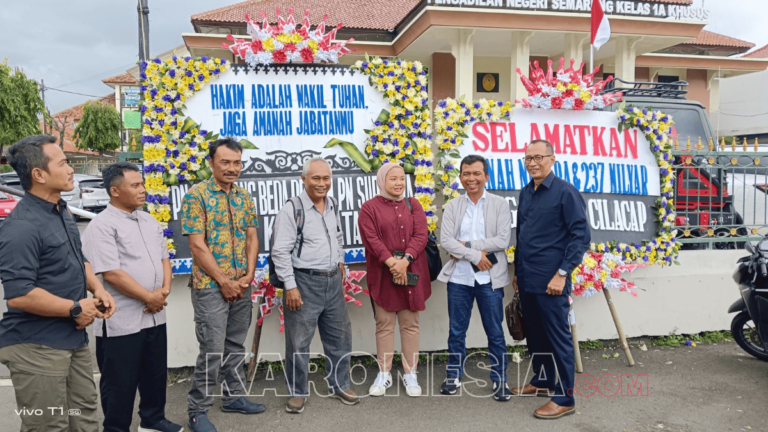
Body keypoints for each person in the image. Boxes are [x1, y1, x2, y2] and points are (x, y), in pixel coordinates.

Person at [0, 135, 116, 431]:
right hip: (36, 346)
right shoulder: (21, 227)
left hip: (73, 340)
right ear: (39, 174)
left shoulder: (60, 210)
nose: (71, 169)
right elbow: (19, 294)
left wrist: (98, 289)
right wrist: (75, 308)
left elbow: (79, 258)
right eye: (63, 163)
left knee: (84, 418)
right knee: (48, 425)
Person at [81, 162, 182, 432]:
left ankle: (152, 420)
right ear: (114, 191)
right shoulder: (101, 226)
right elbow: (111, 273)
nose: (143, 190)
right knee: (119, 382)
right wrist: (149, 296)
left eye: (143, 184)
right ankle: (116, 428)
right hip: (121, 319)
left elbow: (164, 258)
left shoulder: (148, 220)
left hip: (155, 314)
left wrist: (163, 291)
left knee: (155, 374)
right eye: (135, 185)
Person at [181, 137, 263, 432]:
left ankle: (233, 397)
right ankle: (197, 410)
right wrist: (224, 281)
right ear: (211, 163)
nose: (232, 168)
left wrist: (249, 275)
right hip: (210, 286)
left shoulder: (244, 197)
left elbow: (252, 237)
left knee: (235, 344)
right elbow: (197, 245)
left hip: (242, 285)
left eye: (237, 162)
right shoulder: (196, 195)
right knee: (212, 349)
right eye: (225, 162)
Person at [272, 157, 358, 413]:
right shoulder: (292, 209)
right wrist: (290, 286)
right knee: (298, 342)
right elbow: (280, 251)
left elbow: (338, 236)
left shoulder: (332, 204)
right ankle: (297, 392)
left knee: (340, 338)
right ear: (303, 179)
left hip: (332, 281)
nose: (322, 184)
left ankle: (339, 384)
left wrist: (340, 261)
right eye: (316, 178)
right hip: (304, 282)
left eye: (326, 178)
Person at [512, 139, 591, 420]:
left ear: (552, 159)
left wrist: (562, 273)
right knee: (535, 335)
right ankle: (543, 380)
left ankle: (565, 398)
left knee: (558, 338)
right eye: (528, 158)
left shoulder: (565, 192)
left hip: (552, 280)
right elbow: (522, 235)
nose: (532, 163)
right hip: (528, 277)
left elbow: (581, 236)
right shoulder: (526, 192)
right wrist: (517, 272)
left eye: (538, 157)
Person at [437, 155, 513, 401]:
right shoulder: (453, 206)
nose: (471, 178)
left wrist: (466, 246)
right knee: (456, 331)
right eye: (466, 173)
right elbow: (446, 241)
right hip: (459, 279)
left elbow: (502, 240)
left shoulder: (499, 204)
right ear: (460, 177)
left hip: (490, 279)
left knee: (495, 332)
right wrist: (476, 255)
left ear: (486, 176)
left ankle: (500, 379)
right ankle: (453, 375)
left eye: (476, 173)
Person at [358, 162, 431, 397]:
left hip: (410, 271)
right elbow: (371, 239)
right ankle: (384, 373)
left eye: (402, 178)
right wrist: (392, 264)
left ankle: (411, 374)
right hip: (383, 274)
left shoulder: (414, 204)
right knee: (384, 324)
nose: (399, 183)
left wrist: (405, 261)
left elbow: (421, 235)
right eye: (393, 178)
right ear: (382, 181)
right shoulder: (369, 208)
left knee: (410, 325)